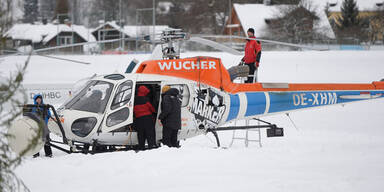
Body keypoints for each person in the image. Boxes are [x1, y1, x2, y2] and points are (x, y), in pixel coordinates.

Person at [133, 85, 156, 150]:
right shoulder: (146, 100)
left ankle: (141, 147)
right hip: (147, 118)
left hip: (138, 119)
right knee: (149, 133)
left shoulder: (134, 100)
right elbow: (152, 109)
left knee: (141, 134)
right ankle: (151, 146)